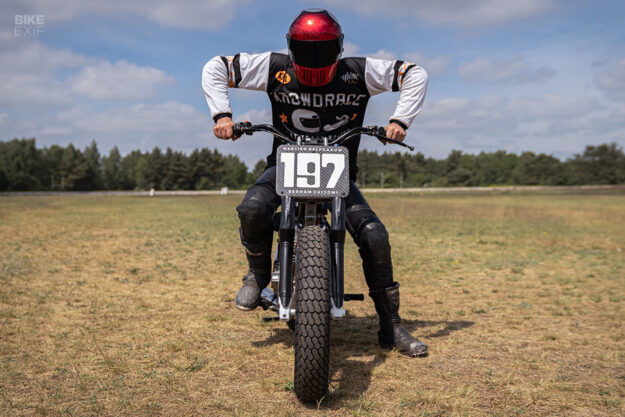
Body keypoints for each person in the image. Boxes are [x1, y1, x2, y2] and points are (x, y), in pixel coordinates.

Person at [202, 9, 429, 357]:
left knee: (374, 236)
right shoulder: (273, 66)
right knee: (252, 209)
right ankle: (257, 275)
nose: (313, 59)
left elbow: (414, 74)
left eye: (322, 51)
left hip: (337, 174)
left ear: (337, 49)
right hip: (284, 166)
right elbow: (216, 66)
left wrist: (400, 120)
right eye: (306, 52)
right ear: (292, 48)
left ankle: (392, 325)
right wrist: (223, 115)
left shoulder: (358, 72)